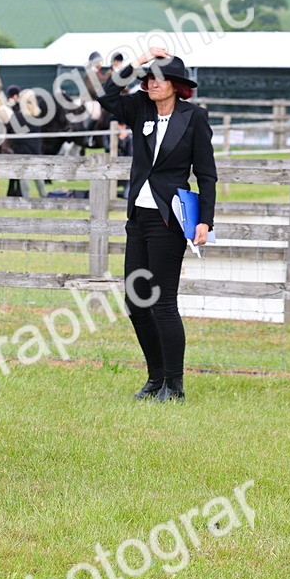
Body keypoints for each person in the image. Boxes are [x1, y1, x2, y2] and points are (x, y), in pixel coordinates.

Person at [96, 47, 216, 403]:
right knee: (136, 301)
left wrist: (206, 220)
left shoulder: (194, 118)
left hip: (169, 219)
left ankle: (175, 386)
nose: (150, 83)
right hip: (139, 218)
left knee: (162, 302)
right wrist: (141, 57)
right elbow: (105, 93)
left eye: (158, 78)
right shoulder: (139, 109)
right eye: (147, 78)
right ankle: (155, 378)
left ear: (177, 86)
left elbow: (206, 175)